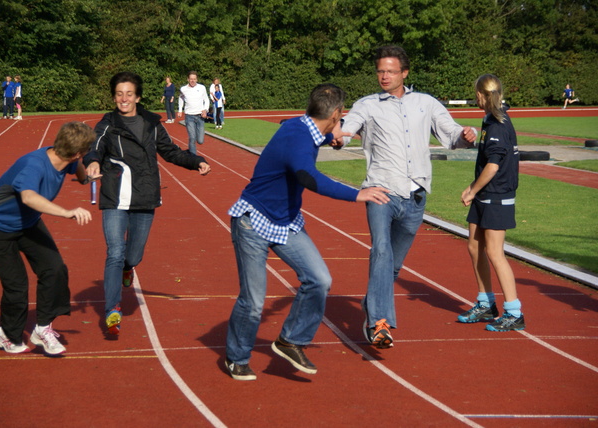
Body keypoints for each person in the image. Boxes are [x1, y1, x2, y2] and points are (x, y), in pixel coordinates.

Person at [224, 83, 390, 381]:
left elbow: (311, 136)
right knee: (254, 301)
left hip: (285, 221)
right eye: (341, 119)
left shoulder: (302, 126)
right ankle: (236, 358)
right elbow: (308, 177)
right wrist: (357, 195)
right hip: (253, 221)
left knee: (319, 279)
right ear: (337, 113)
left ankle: (291, 341)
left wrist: (332, 137)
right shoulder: (298, 138)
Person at [339, 45, 477, 349]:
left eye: (390, 71)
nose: (384, 76)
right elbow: (346, 130)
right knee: (381, 252)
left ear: (405, 73)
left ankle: (372, 303)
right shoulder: (367, 104)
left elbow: (451, 134)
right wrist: (337, 136)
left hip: (415, 196)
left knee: (394, 266)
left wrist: (467, 135)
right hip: (381, 191)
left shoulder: (426, 104)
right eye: (380, 70)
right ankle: (379, 323)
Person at [84, 72, 211, 336]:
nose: (124, 99)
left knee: (132, 256)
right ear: (114, 97)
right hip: (115, 196)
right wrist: (93, 162)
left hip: (145, 195)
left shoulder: (152, 123)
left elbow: (170, 151)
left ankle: (129, 268)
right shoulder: (107, 124)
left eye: (129, 94)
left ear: (138, 97)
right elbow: (93, 147)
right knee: (115, 253)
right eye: (119, 94)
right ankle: (112, 310)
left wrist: (195, 160)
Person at [0, 121, 97, 355]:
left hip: (26, 223)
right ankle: (7, 336)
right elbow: (28, 197)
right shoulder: (34, 165)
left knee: (55, 268)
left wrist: (85, 178)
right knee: (17, 285)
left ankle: (43, 327)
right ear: (78, 152)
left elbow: (76, 168)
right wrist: (67, 212)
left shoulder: (63, 158)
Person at [458, 74, 524, 332]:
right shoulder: (489, 119)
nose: (476, 97)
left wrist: (472, 189)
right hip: (485, 195)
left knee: (495, 253)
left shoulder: (498, 124)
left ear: (483, 94)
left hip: (497, 195)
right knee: (474, 247)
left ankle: (514, 311)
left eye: (477, 93)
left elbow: (494, 166)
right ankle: (485, 303)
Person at [177, 71, 210, 155]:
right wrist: (180, 110)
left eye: (194, 79)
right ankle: (193, 158)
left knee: (200, 140)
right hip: (189, 116)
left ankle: (191, 151)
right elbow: (181, 98)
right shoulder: (183, 89)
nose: (192, 81)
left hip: (200, 116)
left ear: (197, 79)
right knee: (192, 138)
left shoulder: (202, 88)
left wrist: (205, 110)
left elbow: (206, 99)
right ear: (188, 79)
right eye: (191, 79)